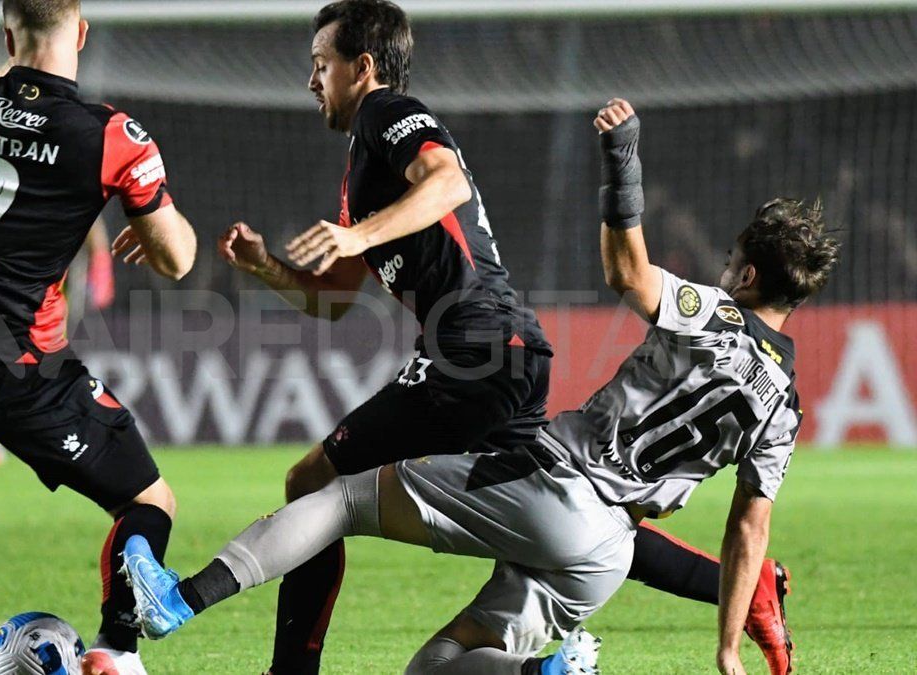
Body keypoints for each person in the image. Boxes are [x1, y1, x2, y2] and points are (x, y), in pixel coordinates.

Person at [126, 98, 838, 675]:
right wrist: (725, 647)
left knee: (337, 495)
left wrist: (622, 162)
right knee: (434, 666)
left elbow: (627, 271)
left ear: (747, 276)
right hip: (606, 554)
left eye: (730, 261)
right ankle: (543, 671)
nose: (722, 270)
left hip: (554, 476)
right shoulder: (785, 406)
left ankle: (182, 599)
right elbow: (749, 528)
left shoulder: (714, 314)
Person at [0, 1, 196, 673]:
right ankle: (115, 646)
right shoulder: (112, 135)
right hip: (23, 365)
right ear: (80, 33)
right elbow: (177, 260)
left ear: (6, 35)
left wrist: (2, 91)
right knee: (149, 500)